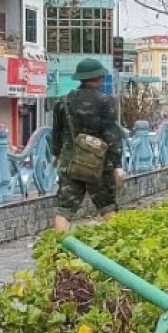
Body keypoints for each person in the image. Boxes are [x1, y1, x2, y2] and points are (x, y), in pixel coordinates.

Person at [50, 58, 126, 233]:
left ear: (80, 78)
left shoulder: (63, 101)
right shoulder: (106, 101)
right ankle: (117, 246)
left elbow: (56, 133)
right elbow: (112, 135)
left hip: (71, 162)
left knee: (64, 210)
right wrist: (117, 166)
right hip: (99, 164)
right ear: (99, 78)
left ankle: (59, 248)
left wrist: (56, 154)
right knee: (107, 207)